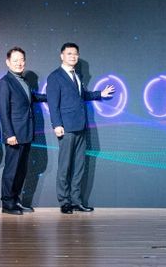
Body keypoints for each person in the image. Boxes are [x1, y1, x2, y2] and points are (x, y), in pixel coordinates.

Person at [46, 42, 114, 214]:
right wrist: (57, 124)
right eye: (69, 53)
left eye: (75, 54)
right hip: (66, 128)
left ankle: (76, 201)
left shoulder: (77, 75)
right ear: (62, 56)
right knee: (65, 167)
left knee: (79, 166)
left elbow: (81, 96)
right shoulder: (55, 77)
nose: (73, 56)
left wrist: (100, 94)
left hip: (80, 126)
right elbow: (53, 104)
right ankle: (64, 202)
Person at [0, 47, 47, 215]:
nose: (19, 63)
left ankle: (15, 200)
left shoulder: (23, 81)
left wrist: (51, 96)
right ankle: (7, 204)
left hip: (26, 132)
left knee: (21, 170)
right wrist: (9, 134)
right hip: (14, 135)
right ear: (8, 62)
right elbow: (3, 111)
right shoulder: (5, 83)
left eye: (22, 60)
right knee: (11, 170)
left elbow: (31, 98)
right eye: (15, 60)